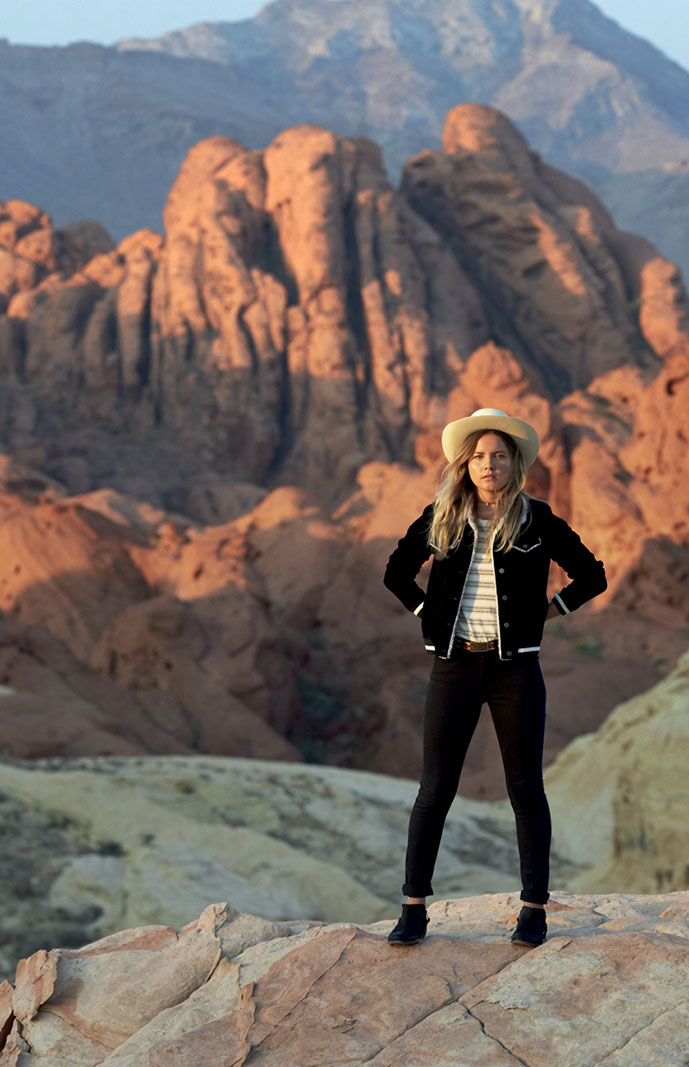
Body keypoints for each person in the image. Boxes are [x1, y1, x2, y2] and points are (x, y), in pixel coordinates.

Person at [383, 408, 607, 948]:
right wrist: (427, 613)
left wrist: (549, 610)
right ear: (466, 464)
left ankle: (534, 910)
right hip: (453, 666)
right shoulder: (442, 516)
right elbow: (396, 572)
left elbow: (592, 575)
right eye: (480, 456)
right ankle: (413, 909)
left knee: (525, 789)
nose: (489, 465)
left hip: (515, 672)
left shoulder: (538, 519)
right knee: (434, 789)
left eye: (499, 456)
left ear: (514, 464)